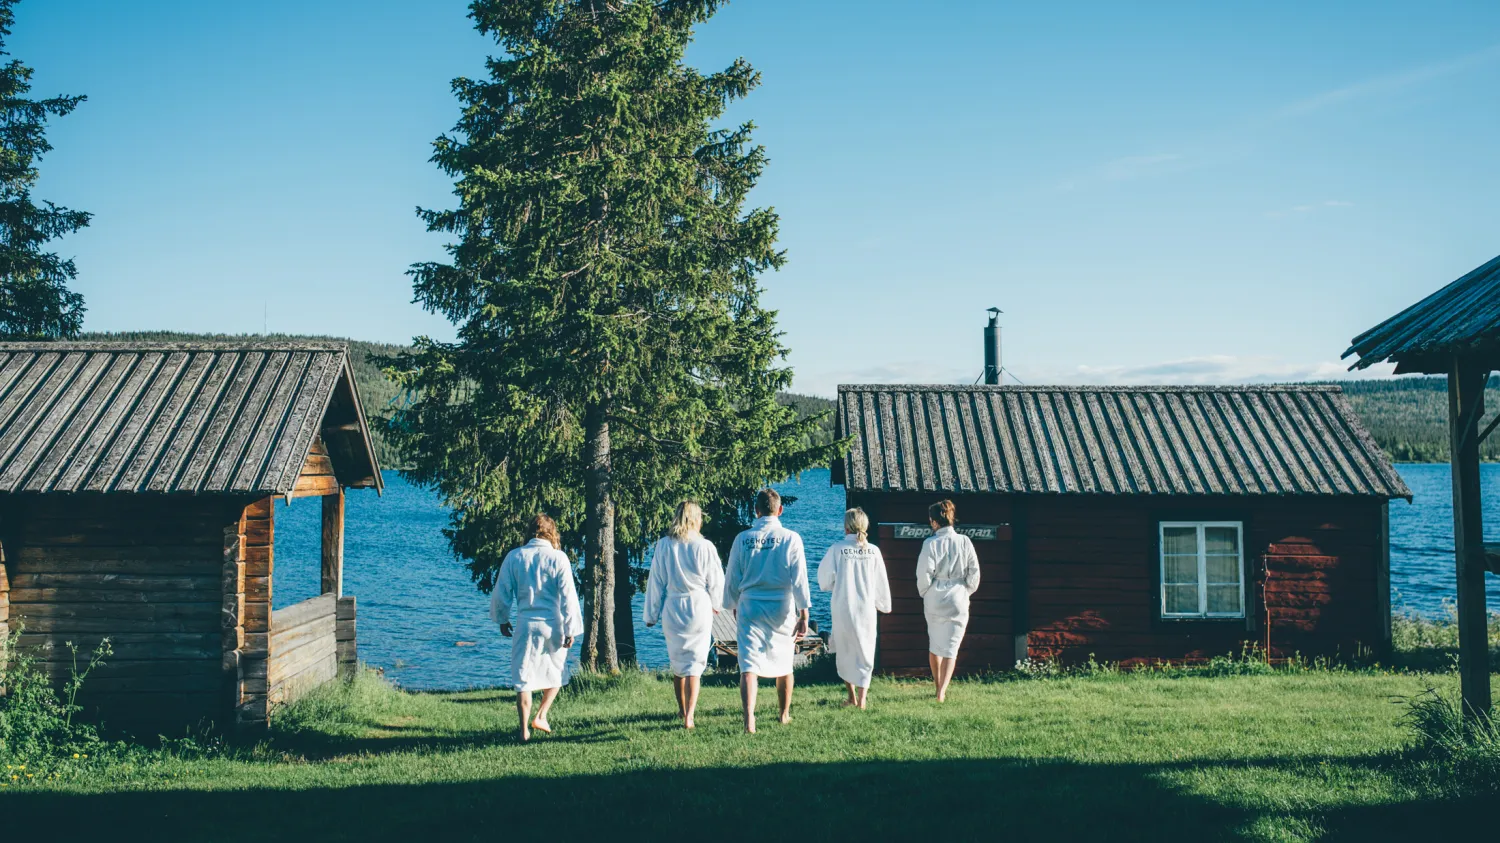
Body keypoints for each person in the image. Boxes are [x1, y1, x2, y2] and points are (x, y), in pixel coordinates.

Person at [723, 488, 810, 733]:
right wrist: (803, 613)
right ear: (779, 510)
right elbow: (800, 579)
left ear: (756, 510)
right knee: (784, 662)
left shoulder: (743, 538)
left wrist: (733, 603)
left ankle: (749, 718)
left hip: (750, 603)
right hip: (781, 604)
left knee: (749, 664)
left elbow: (732, 576)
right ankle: (784, 714)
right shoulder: (791, 538)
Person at [490, 513, 583, 742]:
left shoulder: (515, 557)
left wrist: (502, 618)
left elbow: (502, 591)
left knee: (523, 678)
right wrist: (571, 628)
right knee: (558, 671)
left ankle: (523, 730)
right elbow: (569, 596)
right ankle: (541, 714)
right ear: (551, 533)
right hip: (552, 623)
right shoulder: (558, 558)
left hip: (525, 623)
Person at [643, 501, 725, 729]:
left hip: (674, 607)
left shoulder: (664, 546)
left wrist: (651, 614)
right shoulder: (705, 546)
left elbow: (656, 582)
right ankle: (690, 715)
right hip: (698, 607)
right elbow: (716, 579)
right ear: (696, 519)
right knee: (695, 665)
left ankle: (681, 710)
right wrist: (717, 603)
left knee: (678, 664)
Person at [817, 507, 892, 709]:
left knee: (845, 651)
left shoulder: (837, 549)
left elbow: (824, 581)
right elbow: (881, 582)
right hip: (866, 609)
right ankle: (862, 700)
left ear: (846, 526)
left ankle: (851, 696)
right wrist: (883, 603)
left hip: (843, 607)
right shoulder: (873, 551)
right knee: (865, 652)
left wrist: (838, 584)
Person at [916, 499, 979, 703]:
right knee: (951, 647)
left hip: (935, 595)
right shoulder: (964, 541)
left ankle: (937, 686)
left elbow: (924, 573)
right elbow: (974, 571)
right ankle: (942, 691)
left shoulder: (930, 543)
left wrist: (927, 592)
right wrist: (965, 590)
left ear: (934, 522)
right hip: (958, 595)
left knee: (935, 644)